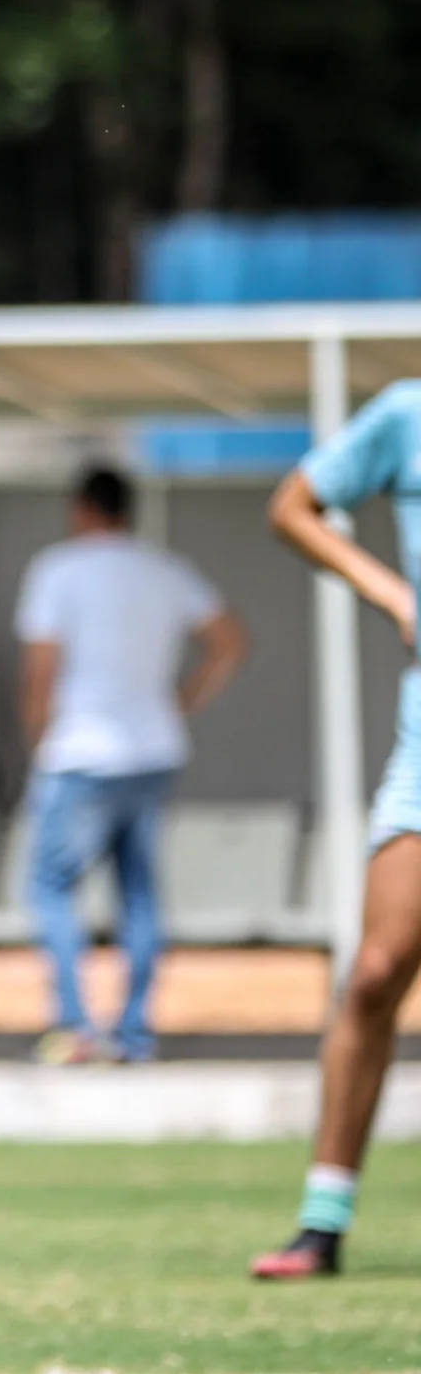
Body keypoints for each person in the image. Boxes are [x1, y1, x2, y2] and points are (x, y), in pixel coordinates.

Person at [252, 383, 421, 1278]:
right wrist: (392, 592)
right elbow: (294, 507)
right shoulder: (405, 413)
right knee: (376, 972)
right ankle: (323, 1221)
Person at [15, 467, 246, 1066]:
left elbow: (41, 670)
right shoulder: (164, 570)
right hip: (153, 752)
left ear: (82, 508)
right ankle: (134, 1032)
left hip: (79, 754)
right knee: (139, 895)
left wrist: (39, 738)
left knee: (50, 888)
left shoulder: (57, 570)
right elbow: (230, 641)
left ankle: (75, 1025)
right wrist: (180, 703)